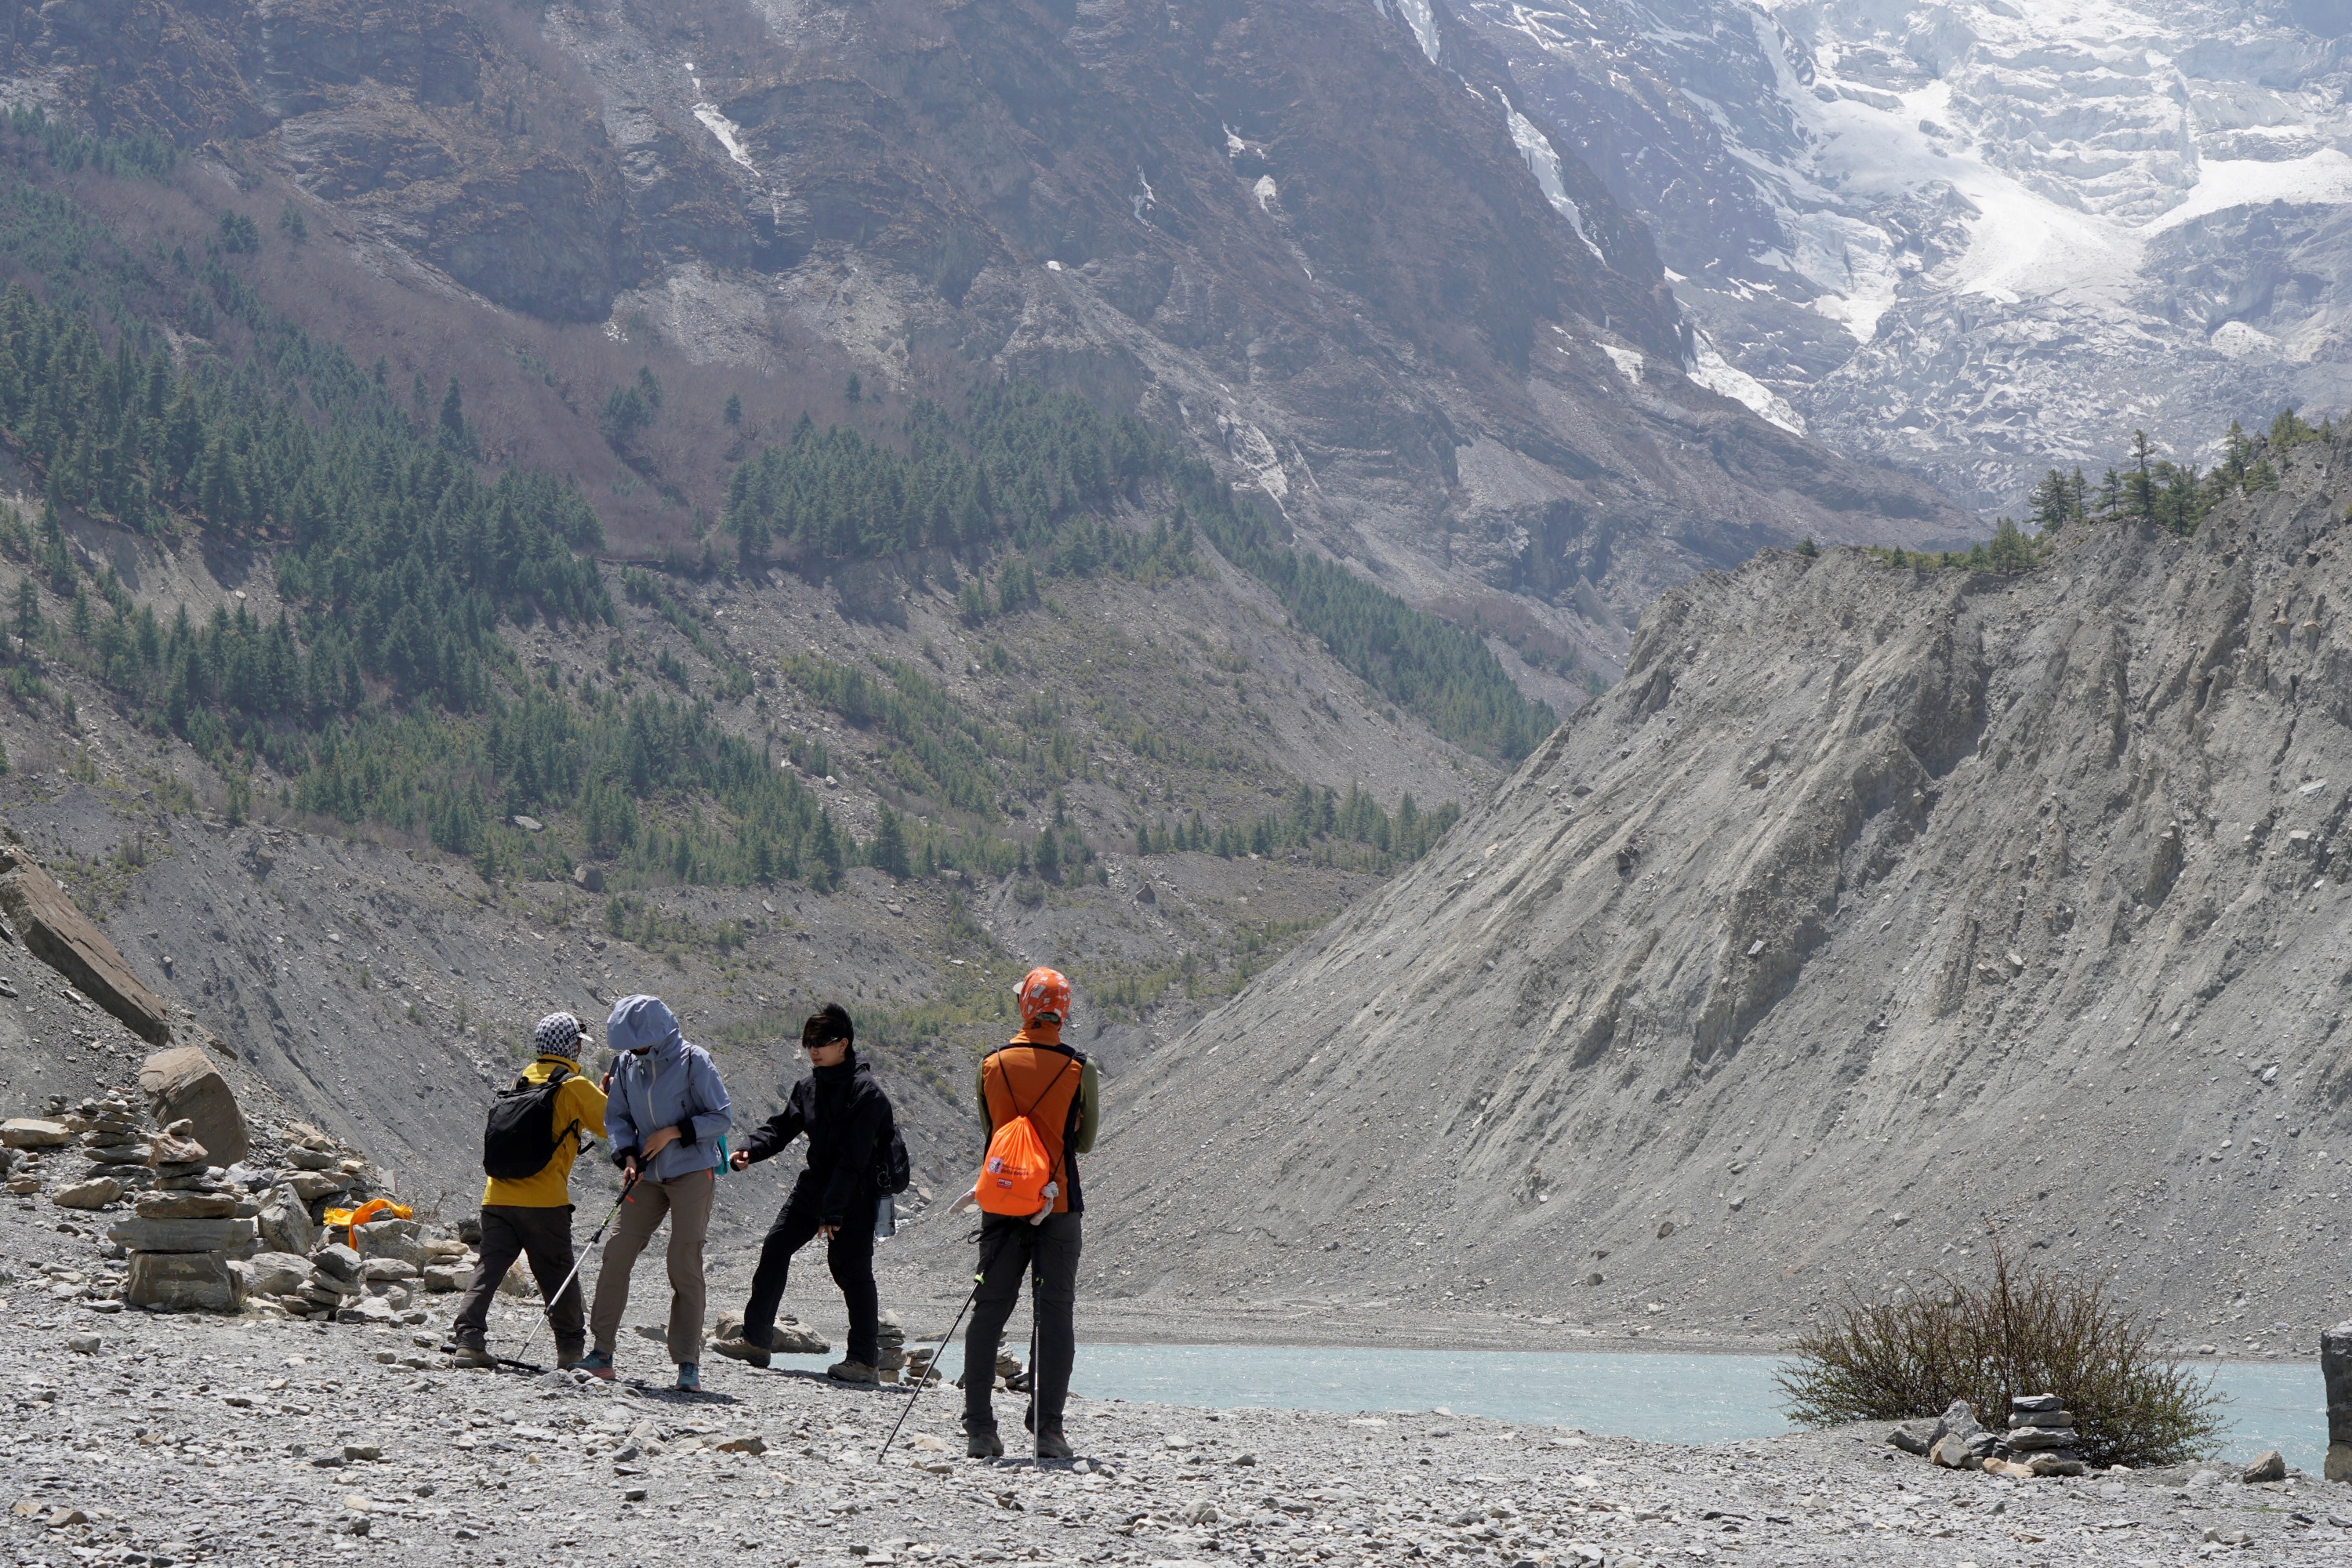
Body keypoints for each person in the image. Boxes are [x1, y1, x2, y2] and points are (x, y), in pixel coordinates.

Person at [711, 1001, 895, 1383]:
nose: (813, 1049)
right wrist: (750, 1149)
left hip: (856, 1193)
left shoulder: (868, 1094)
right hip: (817, 1184)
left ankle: (863, 1361)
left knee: (851, 1270)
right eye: (808, 1041)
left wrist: (833, 1213)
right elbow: (780, 1129)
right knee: (776, 1245)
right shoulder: (809, 1086)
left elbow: (853, 1160)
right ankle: (756, 1340)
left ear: (843, 1043)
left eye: (821, 1041)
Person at [962, 966, 1099, 1460]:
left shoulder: (991, 1063)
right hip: (1057, 1203)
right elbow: (1083, 1142)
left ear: (1026, 1005)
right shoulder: (1078, 1067)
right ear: (1062, 1010)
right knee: (1055, 1313)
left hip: (1001, 1201)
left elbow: (992, 1132)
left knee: (990, 1310)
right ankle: (1048, 1431)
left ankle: (980, 1428)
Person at [581, 993, 731, 1392]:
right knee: (616, 1253)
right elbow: (617, 1117)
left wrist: (674, 1131)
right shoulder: (626, 1064)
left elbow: (721, 1117)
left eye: (638, 1042)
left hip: (691, 1172)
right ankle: (601, 1354)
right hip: (645, 1175)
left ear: (658, 1033)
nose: (633, 1050)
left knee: (683, 1261)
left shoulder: (693, 1061)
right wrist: (627, 1156)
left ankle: (687, 1363)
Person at [452, 1012, 608, 1370]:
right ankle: (570, 1352)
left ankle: (468, 1341)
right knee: (557, 1272)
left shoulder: (521, 1079)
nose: (582, 1049)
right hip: (543, 1201)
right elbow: (610, 1123)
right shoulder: (573, 1085)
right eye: (580, 1043)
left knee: (488, 1267)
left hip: (497, 1196)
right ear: (573, 1045)